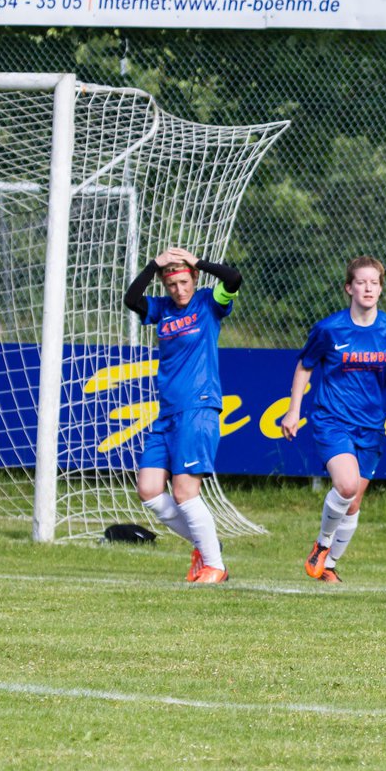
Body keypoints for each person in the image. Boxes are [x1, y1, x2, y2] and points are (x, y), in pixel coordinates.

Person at [281, 256, 386, 584]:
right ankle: (322, 545)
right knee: (346, 485)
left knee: (353, 504)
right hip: (332, 421)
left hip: (370, 426)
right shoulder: (329, 329)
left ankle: (328, 566)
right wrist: (294, 409)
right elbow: (305, 366)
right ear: (349, 288)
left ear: (381, 289)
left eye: (374, 282)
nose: (368, 288)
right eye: (361, 282)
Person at [124, 247, 241, 584]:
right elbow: (132, 300)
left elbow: (233, 278)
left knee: (184, 493)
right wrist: (153, 265)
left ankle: (215, 566)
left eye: (184, 281)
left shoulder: (209, 303)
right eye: (171, 283)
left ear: (194, 278)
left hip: (199, 407)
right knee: (148, 489)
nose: (179, 289)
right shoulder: (162, 309)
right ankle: (207, 547)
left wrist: (197, 261)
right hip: (167, 414)